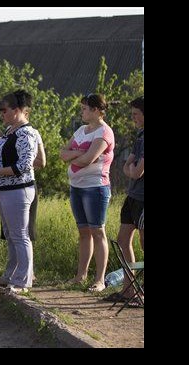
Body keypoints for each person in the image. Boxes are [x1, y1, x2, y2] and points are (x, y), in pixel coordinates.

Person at [0, 90, 42, 295]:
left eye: (4, 110)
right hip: (6, 190)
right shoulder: (10, 132)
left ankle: (23, 280)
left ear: (17, 110)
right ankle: (11, 274)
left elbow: (24, 165)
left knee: (20, 235)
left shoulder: (26, 133)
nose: (1, 114)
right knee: (11, 234)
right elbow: (0, 158)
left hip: (18, 190)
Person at [60, 93, 115, 292]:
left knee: (98, 232)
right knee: (83, 233)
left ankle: (99, 280)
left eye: (84, 108)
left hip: (96, 188)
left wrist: (74, 156)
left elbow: (87, 160)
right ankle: (80, 276)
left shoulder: (104, 132)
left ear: (96, 110)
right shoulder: (82, 130)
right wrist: (77, 153)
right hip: (77, 187)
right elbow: (62, 153)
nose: (81, 111)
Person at [107, 96, 144, 302]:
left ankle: (139, 293)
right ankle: (129, 289)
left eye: (136, 115)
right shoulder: (139, 135)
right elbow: (127, 166)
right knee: (122, 241)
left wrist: (132, 169)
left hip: (143, 199)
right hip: (132, 196)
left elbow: (136, 171)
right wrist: (132, 169)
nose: (133, 118)